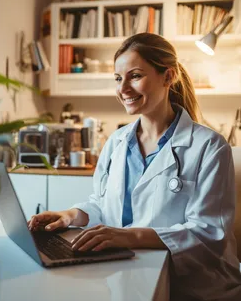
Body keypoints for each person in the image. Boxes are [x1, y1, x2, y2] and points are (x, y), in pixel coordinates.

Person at [28, 33, 241, 300]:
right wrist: (70, 215)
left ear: (168, 77)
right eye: (118, 79)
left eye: (135, 76)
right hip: (129, 272)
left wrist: (128, 237)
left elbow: (209, 234)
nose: (123, 89)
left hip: (194, 287)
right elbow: (103, 204)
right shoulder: (117, 141)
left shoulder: (210, 146)